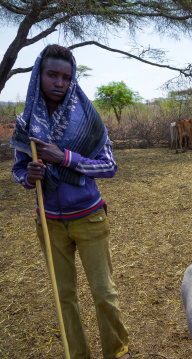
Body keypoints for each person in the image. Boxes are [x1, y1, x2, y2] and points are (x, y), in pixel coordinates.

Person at [10, 44, 131, 359]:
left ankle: (117, 353)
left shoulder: (88, 120)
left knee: (104, 293)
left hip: (89, 218)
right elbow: (18, 169)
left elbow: (109, 167)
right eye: (52, 75)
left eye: (66, 76)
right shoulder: (26, 122)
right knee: (64, 296)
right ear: (40, 75)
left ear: (73, 79)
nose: (59, 82)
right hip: (48, 222)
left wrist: (63, 157)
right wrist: (30, 175)